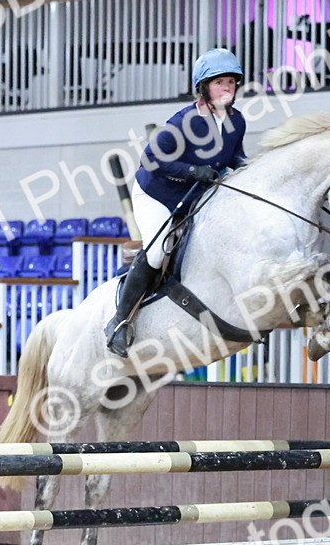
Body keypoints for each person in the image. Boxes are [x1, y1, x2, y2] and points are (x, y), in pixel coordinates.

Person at [105, 47, 249, 358]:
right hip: (156, 193)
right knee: (157, 251)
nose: (227, 88)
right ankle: (118, 322)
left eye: (231, 82)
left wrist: (249, 169)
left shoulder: (236, 122)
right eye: (219, 82)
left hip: (193, 195)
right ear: (204, 88)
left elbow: (234, 156)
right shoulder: (183, 122)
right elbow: (151, 159)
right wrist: (193, 170)